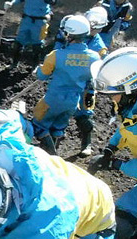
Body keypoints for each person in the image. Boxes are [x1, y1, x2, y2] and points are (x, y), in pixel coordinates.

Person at [88, 47, 137, 239]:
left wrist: (117, 165)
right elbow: (126, 128)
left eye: (113, 94)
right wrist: (110, 150)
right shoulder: (131, 107)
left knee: (123, 219)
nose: (110, 99)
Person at [31, 15, 100, 155]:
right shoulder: (94, 57)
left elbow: (42, 75)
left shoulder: (56, 55)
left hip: (53, 99)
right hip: (73, 102)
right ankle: (53, 151)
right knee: (58, 127)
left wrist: (39, 69)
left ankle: (51, 154)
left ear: (69, 35)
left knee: (38, 125)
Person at [54, 7, 109, 156]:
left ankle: (86, 142)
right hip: (66, 81)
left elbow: (101, 65)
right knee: (60, 110)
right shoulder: (70, 33)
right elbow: (58, 48)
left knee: (85, 115)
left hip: (86, 85)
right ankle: (56, 138)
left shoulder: (99, 46)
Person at [4, 0, 57, 68]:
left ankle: (35, 66)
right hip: (26, 19)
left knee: (37, 44)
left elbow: (53, 2)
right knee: (19, 41)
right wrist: (11, 3)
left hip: (40, 21)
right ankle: (14, 63)